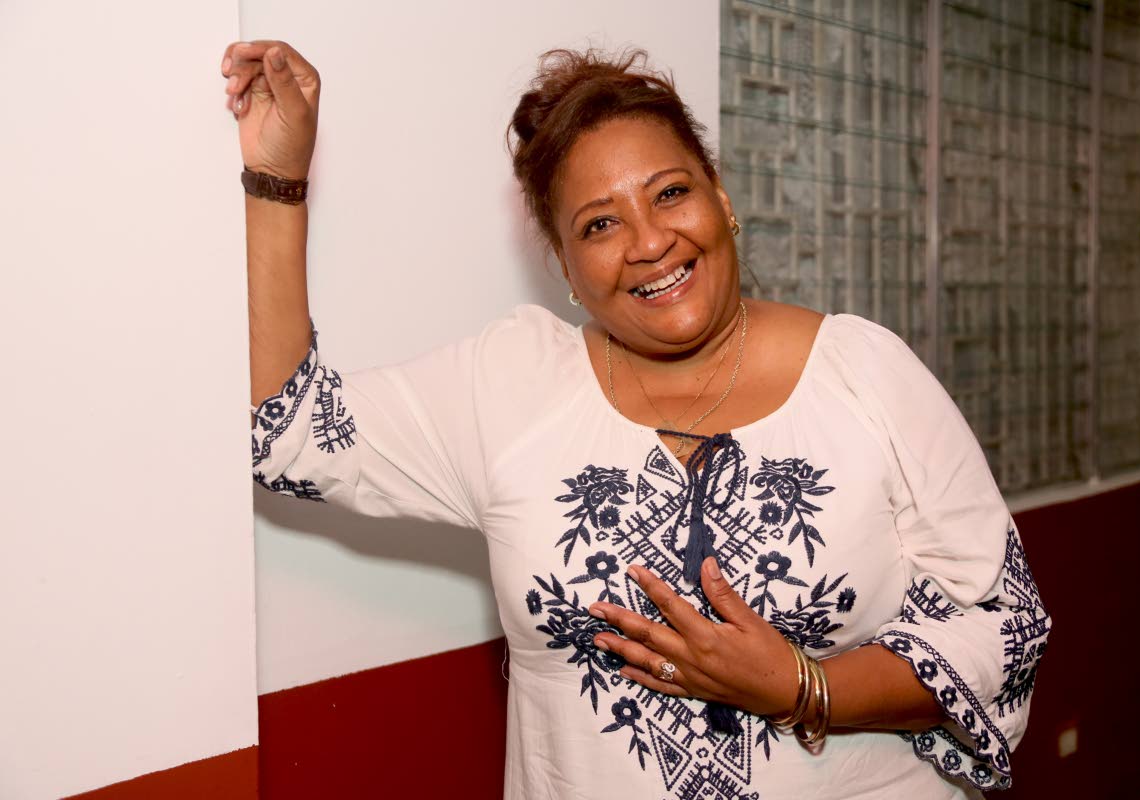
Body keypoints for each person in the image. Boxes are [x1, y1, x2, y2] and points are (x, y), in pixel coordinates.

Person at [221, 39, 1050, 799]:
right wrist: (276, 183)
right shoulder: (508, 385)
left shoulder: (865, 374)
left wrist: (805, 685)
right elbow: (286, 432)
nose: (650, 241)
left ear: (722, 201)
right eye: (600, 224)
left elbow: (1004, 629)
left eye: (672, 193)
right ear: (567, 268)